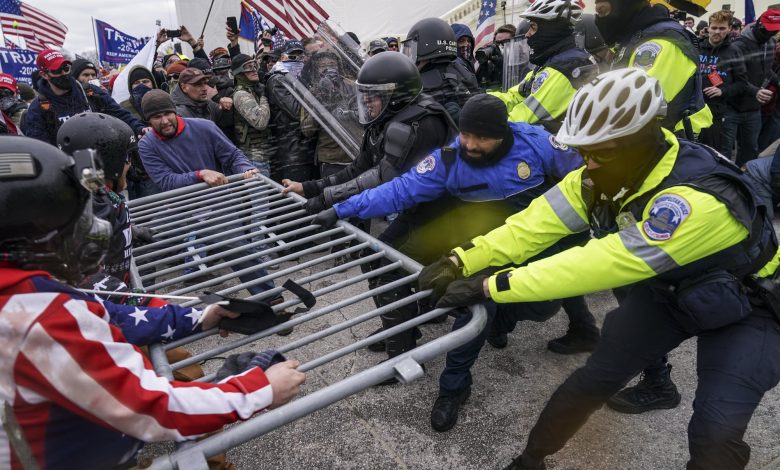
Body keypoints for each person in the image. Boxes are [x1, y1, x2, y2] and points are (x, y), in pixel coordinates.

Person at [419, 68, 779, 470]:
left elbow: (601, 263)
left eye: (599, 152)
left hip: (750, 305)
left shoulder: (694, 200)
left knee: (715, 431)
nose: (587, 163)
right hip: (672, 290)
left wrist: (491, 286)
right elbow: (531, 226)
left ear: (641, 140)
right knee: (590, 382)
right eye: (582, 151)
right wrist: (460, 260)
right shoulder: (603, 172)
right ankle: (531, 460)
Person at [0, 135, 306, 469]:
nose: (85, 236)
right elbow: (146, 406)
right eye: (71, 226)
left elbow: (109, 315)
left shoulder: (24, 292)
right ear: (30, 237)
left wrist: (202, 316)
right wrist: (259, 390)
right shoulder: (34, 319)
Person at [312, 94, 592, 428]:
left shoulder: (538, 144)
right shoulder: (449, 157)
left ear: (503, 132)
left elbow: (584, 182)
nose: (470, 144)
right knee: (476, 302)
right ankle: (454, 387)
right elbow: (400, 189)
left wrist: (573, 243)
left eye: (481, 137)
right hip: (480, 243)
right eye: (466, 134)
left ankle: (507, 322)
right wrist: (341, 208)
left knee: (541, 306)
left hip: (535, 236)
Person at [591, 0, 715, 414]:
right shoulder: (640, 39)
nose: (600, 13)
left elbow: (627, 119)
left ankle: (659, 381)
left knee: (641, 280)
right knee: (633, 279)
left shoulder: (659, 44)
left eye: (604, 6)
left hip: (656, 178)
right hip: (640, 175)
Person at [138, 89, 280, 298]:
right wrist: (200, 174)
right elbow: (166, 181)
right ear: (148, 120)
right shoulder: (147, 144)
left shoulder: (204, 127)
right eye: (157, 117)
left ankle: (271, 299)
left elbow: (232, 155)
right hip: (179, 206)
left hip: (216, 202)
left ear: (174, 111)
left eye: (167, 113)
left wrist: (246, 168)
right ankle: (141, 302)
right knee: (144, 248)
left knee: (240, 250)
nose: (165, 121)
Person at [492, 0, 594, 132]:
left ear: (551, 31)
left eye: (533, 27)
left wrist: (482, 128)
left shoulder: (564, 68)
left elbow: (520, 121)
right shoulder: (549, 64)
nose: (527, 34)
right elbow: (514, 96)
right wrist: (479, 100)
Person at [22, 49, 145, 145]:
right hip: (66, 163)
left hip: (103, 153)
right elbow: (40, 145)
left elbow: (119, 113)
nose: (64, 73)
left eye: (66, 68)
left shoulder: (90, 91)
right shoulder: (38, 107)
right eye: (57, 71)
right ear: (44, 75)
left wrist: (140, 128)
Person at [402, 17, 480, 121]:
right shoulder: (460, 71)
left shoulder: (426, 85)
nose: (410, 56)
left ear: (426, 48)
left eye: (412, 48)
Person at [728, 9, 780, 166]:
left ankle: (743, 178)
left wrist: (777, 81)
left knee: (750, 149)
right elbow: (734, 77)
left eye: (775, 30)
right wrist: (755, 91)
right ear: (759, 25)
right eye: (769, 30)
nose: (771, 34)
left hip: (753, 108)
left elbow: (766, 69)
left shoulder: (771, 43)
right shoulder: (738, 45)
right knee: (725, 150)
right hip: (731, 106)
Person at [697, 9, 748, 157]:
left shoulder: (734, 51)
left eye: (722, 28)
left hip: (719, 113)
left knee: (713, 153)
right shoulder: (697, 48)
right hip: (695, 109)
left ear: (729, 29)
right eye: (714, 28)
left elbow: (742, 83)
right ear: (708, 28)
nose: (717, 32)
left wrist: (722, 91)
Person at [265, 41, 318, 182]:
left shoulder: (302, 78)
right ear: (283, 57)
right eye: (293, 57)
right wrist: (314, 94)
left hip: (309, 148)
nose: (298, 61)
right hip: (293, 152)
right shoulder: (277, 80)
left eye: (301, 57)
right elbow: (296, 111)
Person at [232, 54, 273, 176]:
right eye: (248, 67)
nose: (254, 69)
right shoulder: (241, 94)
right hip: (254, 159)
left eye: (255, 65)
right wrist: (263, 97)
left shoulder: (253, 90)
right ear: (239, 73)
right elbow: (260, 122)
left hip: (263, 155)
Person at [171, 67, 234, 139]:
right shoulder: (178, 113)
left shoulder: (207, 104)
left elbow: (226, 122)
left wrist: (226, 108)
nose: (204, 88)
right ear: (184, 88)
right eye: (198, 84)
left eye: (205, 83)